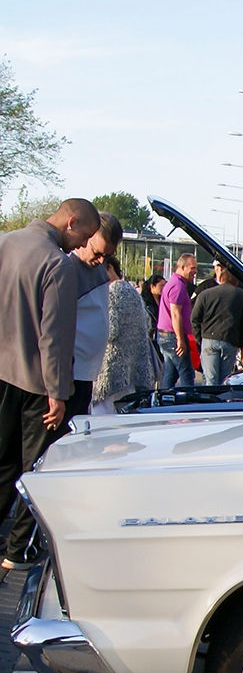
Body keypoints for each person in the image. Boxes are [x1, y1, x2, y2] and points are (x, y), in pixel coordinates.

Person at [0, 197, 101, 571]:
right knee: (36, 471)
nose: (80, 246)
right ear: (71, 221)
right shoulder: (56, 264)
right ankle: (16, 552)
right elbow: (54, 337)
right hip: (33, 382)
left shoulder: (5, 242)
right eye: (84, 236)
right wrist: (59, 393)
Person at [66, 212, 125, 419]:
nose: (101, 261)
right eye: (97, 253)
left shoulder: (98, 268)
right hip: (69, 374)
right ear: (85, 237)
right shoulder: (65, 269)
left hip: (87, 373)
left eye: (107, 256)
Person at [91, 254, 159, 414]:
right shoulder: (132, 292)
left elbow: (109, 330)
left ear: (109, 268)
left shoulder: (113, 292)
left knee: (103, 424)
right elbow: (147, 324)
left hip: (112, 372)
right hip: (133, 370)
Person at [192, 260, 243, 386]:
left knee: (210, 380)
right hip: (229, 339)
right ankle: (222, 402)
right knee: (225, 379)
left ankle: (209, 404)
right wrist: (241, 341)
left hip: (209, 338)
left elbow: (195, 318)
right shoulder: (240, 294)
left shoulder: (205, 294)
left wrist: (200, 338)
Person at [156, 253, 197, 389]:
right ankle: (189, 404)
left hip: (166, 335)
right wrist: (180, 339)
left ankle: (163, 403)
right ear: (182, 267)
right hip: (172, 336)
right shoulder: (178, 286)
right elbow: (175, 314)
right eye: (192, 268)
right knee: (187, 373)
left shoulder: (174, 283)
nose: (195, 271)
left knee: (171, 373)